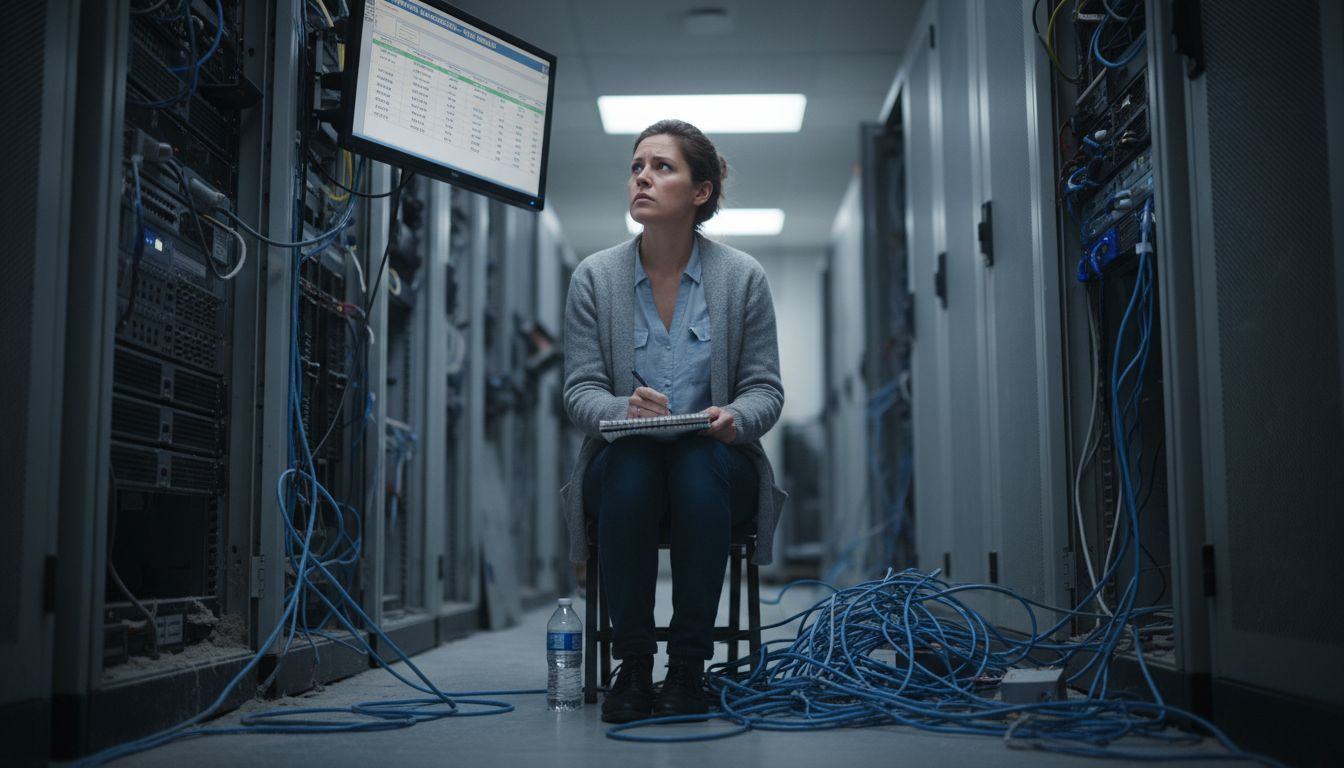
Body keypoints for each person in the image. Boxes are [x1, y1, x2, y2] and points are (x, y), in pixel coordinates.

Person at [559, 119, 787, 723]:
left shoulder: (742, 279)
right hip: (626, 465)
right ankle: (633, 665)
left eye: (662, 167)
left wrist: (734, 418)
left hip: (715, 466)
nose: (642, 177)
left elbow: (765, 389)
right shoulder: (595, 278)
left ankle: (688, 666)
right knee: (632, 463)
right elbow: (579, 389)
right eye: (637, 166)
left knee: (696, 463)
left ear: (700, 192)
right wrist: (619, 410)